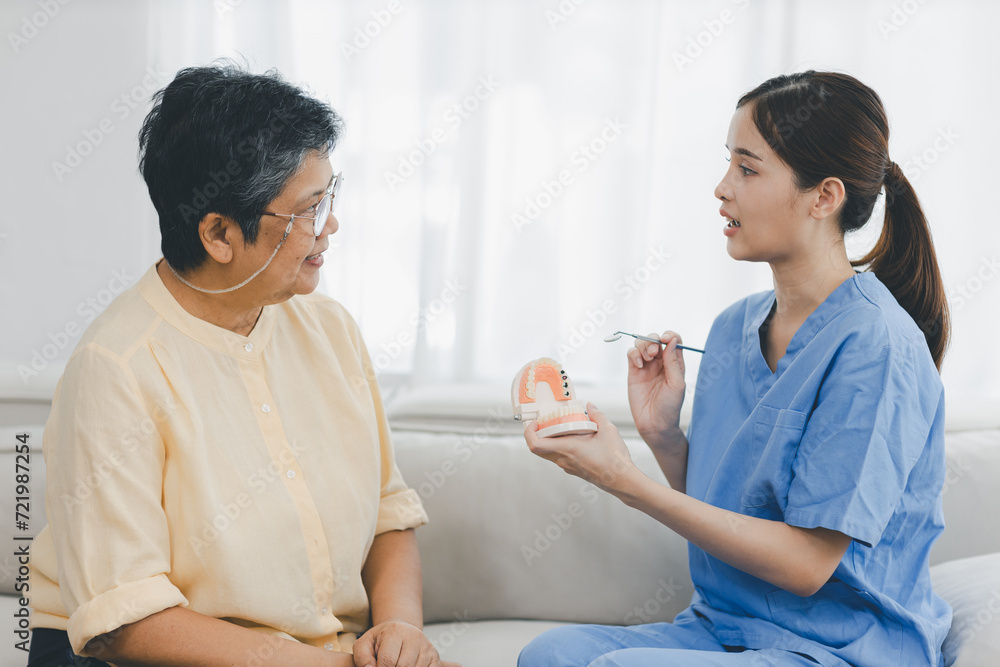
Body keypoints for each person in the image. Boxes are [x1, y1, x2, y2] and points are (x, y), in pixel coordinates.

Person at [27, 63, 457, 667]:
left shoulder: (330, 329)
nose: (329, 225)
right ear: (220, 233)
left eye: (330, 196)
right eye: (308, 210)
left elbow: (389, 513)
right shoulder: (116, 368)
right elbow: (128, 621)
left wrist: (400, 631)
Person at [518, 71, 952, 666]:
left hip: (839, 649)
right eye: (729, 164)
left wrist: (626, 480)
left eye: (748, 169)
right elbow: (728, 510)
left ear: (824, 197)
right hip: (725, 629)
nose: (722, 189)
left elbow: (806, 566)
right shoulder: (732, 328)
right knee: (550, 656)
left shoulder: (877, 347)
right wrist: (665, 438)